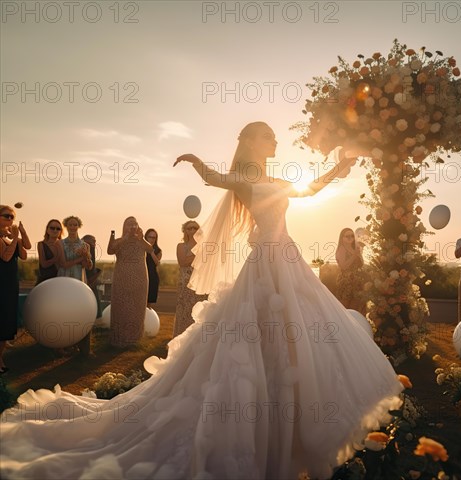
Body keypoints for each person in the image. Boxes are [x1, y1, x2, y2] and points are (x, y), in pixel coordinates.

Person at [0, 122, 404, 479]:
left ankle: (294, 423)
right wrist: (195, 161)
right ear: (250, 141)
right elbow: (214, 178)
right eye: (268, 135)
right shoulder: (244, 179)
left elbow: (311, 188)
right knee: (255, 340)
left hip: (289, 260)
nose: (276, 139)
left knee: (302, 336)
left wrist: (340, 165)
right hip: (265, 264)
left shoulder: (278, 179)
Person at [107, 217, 153, 347]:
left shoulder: (141, 241)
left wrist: (142, 238)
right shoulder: (119, 240)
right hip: (122, 277)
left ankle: (135, 339)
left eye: (135, 224)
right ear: (124, 226)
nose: (132, 226)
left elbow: (150, 249)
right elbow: (110, 250)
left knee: (137, 307)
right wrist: (125, 238)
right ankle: (119, 338)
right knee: (121, 306)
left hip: (140, 278)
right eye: (129, 224)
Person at [0, 205, 30, 375]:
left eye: (12, 217)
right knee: (1, 321)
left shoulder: (9, 237)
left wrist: (22, 234)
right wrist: (15, 238)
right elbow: (5, 257)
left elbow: (25, 252)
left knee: (6, 323)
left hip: (10, 283)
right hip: (1, 283)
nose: (10, 220)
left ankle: (0, 357)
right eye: (6, 216)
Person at [173, 220, 207, 337]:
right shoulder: (181, 246)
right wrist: (198, 254)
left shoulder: (205, 246)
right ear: (185, 231)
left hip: (200, 283)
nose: (192, 230)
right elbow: (183, 262)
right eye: (189, 228)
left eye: (195, 228)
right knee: (184, 311)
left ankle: (197, 339)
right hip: (185, 282)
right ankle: (181, 339)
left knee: (198, 311)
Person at [335, 227, 366, 314]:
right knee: (345, 308)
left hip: (357, 281)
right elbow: (343, 266)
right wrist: (354, 255)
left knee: (357, 307)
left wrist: (359, 254)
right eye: (347, 236)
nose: (350, 238)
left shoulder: (355, 248)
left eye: (352, 236)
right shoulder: (341, 249)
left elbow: (361, 264)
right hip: (346, 281)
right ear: (342, 238)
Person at [57, 215, 92, 281]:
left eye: (75, 225)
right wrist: (81, 258)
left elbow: (88, 267)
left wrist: (86, 257)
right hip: (64, 278)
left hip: (79, 278)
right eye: (70, 225)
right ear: (66, 226)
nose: (72, 227)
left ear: (78, 226)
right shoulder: (60, 243)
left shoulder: (86, 245)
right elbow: (63, 264)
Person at [35, 219, 65, 285]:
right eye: (52, 228)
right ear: (47, 230)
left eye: (58, 229)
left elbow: (64, 264)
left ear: (61, 231)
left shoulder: (64, 244)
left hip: (61, 280)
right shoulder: (41, 244)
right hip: (45, 281)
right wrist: (57, 257)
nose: (55, 230)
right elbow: (43, 264)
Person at [144, 228, 162, 308]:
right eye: (150, 237)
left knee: (149, 303)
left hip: (152, 277)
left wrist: (151, 251)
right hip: (141, 276)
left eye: (154, 237)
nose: (152, 239)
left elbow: (157, 263)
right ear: (146, 237)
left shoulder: (158, 250)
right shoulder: (141, 249)